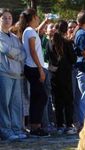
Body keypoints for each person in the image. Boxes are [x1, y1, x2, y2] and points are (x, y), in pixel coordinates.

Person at [19, 8, 49, 136]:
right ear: (32, 18)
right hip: (33, 68)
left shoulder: (29, 31)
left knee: (38, 97)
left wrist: (45, 21)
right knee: (40, 97)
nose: (38, 20)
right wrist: (40, 69)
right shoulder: (30, 31)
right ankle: (35, 126)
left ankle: (35, 125)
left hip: (33, 67)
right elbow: (33, 51)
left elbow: (36, 31)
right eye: (37, 17)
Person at [0, 8, 26, 140]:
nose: (7, 20)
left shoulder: (15, 38)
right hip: (4, 73)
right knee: (4, 104)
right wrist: (15, 52)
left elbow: (23, 54)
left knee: (16, 104)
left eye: (9, 18)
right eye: (4, 17)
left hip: (17, 74)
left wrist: (13, 52)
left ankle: (16, 129)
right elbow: (5, 50)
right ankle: (5, 131)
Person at [46, 20, 76, 134]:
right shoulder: (67, 42)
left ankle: (59, 125)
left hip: (54, 74)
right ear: (65, 30)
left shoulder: (50, 42)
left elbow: (48, 57)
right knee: (68, 100)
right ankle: (69, 125)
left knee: (57, 101)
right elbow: (73, 59)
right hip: (66, 75)